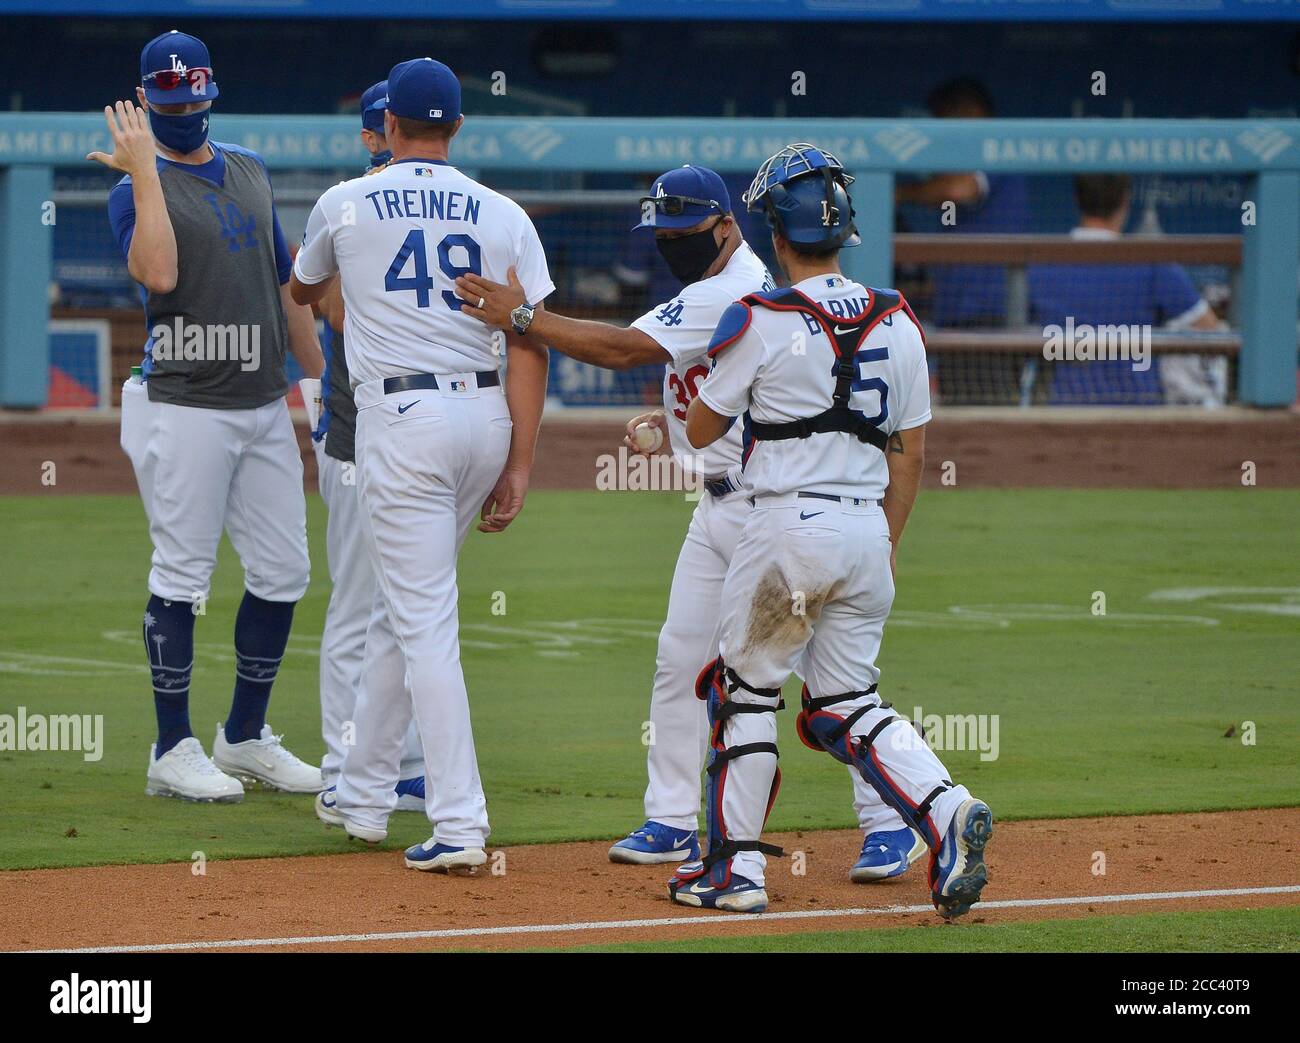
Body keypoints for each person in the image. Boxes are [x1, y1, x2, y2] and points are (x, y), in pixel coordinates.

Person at [455, 163, 925, 884]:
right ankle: (673, 818)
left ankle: (887, 823)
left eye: (684, 231)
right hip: (722, 505)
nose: (671, 242)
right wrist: (672, 429)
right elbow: (711, 397)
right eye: (664, 232)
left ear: (729, 226)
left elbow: (619, 349)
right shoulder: (718, 288)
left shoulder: (733, 290)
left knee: (828, 684)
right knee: (681, 660)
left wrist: (521, 316)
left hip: (775, 511)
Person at [675, 143, 993, 917]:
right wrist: (885, 540)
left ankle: (734, 872)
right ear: (845, 229)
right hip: (866, 534)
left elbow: (699, 426)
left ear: (777, 238)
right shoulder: (900, 319)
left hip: (788, 532)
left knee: (744, 693)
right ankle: (948, 810)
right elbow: (911, 451)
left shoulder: (759, 317)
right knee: (846, 704)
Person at [290, 58, 552, 874]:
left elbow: (301, 290)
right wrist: (520, 462)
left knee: (423, 625)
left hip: (401, 421)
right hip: (483, 418)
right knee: (405, 617)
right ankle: (364, 795)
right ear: (458, 129)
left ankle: (461, 822)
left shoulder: (344, 200)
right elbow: (531, 336)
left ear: (388, 128)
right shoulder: (504, 213)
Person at [95, 29, 325, 803]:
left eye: (194, 97)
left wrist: (321, 387)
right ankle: (171, 746)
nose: (186, 110)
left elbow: (290, 285)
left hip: (263, 401)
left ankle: (246, 735)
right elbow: (157, 272)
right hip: (184, 402)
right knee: (183, 576)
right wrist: (145, 173)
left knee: (286, 571)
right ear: (147, 102)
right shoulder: (132, 188)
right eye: (170, 100)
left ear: (210, 91)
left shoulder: (251, 170)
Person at [310, 80, 426, 810]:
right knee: (358, 607)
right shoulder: (346, 204)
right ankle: (338, 768)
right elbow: (327, 306)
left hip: (411, 435)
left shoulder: (434, 205)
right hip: (355, 436)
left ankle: (402, 760)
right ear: (372, 134)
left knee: (411, 611)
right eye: (385, 129)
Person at [1029, 174, 1228, 406]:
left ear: (1077, 198)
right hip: (1138, 413)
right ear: (1125, 200)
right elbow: (1209, 327)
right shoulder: (1151, 262)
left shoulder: (1043, 265)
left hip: (1068, 409)